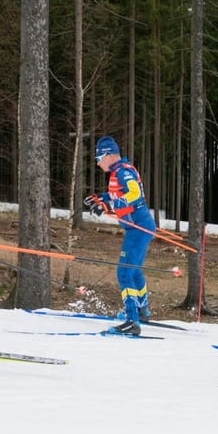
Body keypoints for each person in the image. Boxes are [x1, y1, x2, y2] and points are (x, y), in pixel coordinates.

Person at [83, 136, 156, 336]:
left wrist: (109, 206)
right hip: (141, 227)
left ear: (108, 155)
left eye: (99, 158)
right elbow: (119, 195)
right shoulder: (119, 171)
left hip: (137, 229)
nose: (98, 163)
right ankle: (142, 311)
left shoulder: (122, 172)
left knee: (124, 274)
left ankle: (132, 320)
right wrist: (100, 198)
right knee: (134, 272)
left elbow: (134, 195)